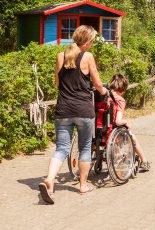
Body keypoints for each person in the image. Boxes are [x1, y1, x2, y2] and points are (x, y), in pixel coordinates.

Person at [39, 25, 108, 204]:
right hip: (83, 110)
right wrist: (103, 91)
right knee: (85, 147)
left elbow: (57, 83)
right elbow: (97, 82)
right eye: (92, 41)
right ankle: (83, 185)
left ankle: (50, 181)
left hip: (63, 110)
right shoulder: (87, 57)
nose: (92, 44)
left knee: (61, 148)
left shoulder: (60, 56)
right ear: (87, 41)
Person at [109, 74, 151, 171]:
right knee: (131, 134)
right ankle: (144, 160)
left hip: (98, 130)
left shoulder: (103, 95)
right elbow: (118, 121)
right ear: (123, 88)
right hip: (112, 129)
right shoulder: (119, 100)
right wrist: (126, 121)